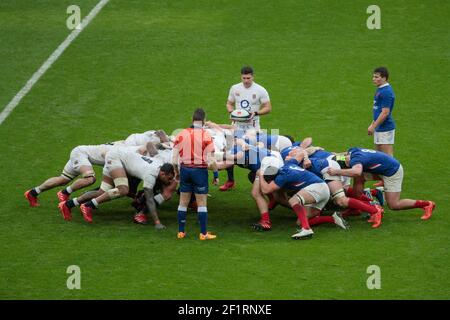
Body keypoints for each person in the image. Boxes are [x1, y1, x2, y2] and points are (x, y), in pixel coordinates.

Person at [69, 146, 174, 228]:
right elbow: (150, 200)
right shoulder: (151, 175)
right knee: (123, 190)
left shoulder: (159, 164)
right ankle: (88, 206)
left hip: (118, 157)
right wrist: (157, 222)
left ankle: (68, 204)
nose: (169, 181)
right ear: (163, 174)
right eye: (169, 178)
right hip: (115, 158)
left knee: (102, 192)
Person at [328, 148, 435, 226]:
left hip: (392, 172)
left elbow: (356, 171)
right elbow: (340, 155)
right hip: (383, 168)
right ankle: (356, 209)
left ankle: (427, 204)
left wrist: (336, 171)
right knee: (359, 180)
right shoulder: (352, 152)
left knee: (394, 205)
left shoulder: (356, 163)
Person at [220, 66, 272, 191]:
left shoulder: (260, 90)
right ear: (241, 76)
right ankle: (230, 180)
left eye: (248, 78)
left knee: (251, 152)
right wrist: (232, 112)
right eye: (244, 78)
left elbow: (268, 107)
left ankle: (260, 179)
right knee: (230, 150)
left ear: (253, 77)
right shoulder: (235, 88)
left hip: (252, 128)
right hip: (237, 126)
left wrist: (257, 113)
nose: (246, 80)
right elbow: (229, 103)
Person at [259, 156, 331, 240]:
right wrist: (306, 158)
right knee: (300, 222)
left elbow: (266, 190)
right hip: (323, 189)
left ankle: (306, 229)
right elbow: (300, 154)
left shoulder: (282, 176)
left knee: (293, 200)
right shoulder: (289, 164)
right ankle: (333, 218)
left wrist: (260, 175)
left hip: (317, 187)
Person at [172, 108, 218, 240]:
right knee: (202, 203)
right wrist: (215, 174)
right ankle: (203, 233)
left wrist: (177, 172)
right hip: (199, 172)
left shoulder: (181, 134)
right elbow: (211, 160)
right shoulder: (206, 136)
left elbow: (174, 159)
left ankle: (181, 232)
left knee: (183, 202)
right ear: (203, 120)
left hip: (185, 170)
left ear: (192, 119)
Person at [24, 144, 114, 207]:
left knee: (63, 179)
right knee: (90, 179)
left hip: (80, 151)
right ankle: (64, 193)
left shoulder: (122, 145)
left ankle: (32, 193)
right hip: (81, 154)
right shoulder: (123, 150)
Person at [368, 67, 396, 156]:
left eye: (376, 77)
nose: (373, 79)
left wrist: (373, 127)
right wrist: (373, 124)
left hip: (385, 129)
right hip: (380, 127)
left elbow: (385, 112)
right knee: (378, 156)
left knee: (387, 158)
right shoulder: (380, 89)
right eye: (373, 77)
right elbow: (378, 109)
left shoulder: (386, 92)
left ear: (384, 78)